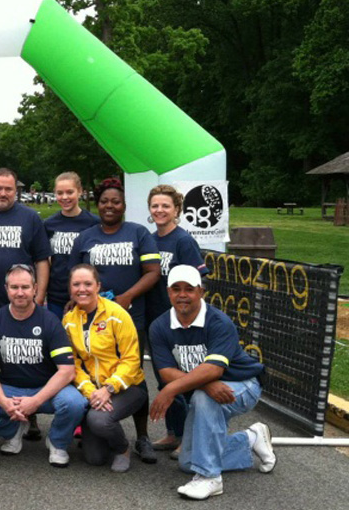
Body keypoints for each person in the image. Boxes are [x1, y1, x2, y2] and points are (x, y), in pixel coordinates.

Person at [149, 265, 275, 500]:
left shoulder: (219, 322)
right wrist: (204, 383)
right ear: (168, 293)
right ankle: (251, 439)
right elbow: (166, 371)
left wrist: (173, 389)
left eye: (189, 289)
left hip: (243, 383)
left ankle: (210, 478)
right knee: (187, 462)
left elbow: (214, 369)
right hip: (208, 388)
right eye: (176, 289)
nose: (182, 294)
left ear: (201, 292)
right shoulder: (159, 326)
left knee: (202, 398)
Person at [69, 176, 160, 463]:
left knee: (134, 375)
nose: (110, 206)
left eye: (115, 201)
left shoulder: (139, 233)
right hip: (92, 316)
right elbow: (77, 275)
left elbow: (153, 271)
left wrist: (127, 296)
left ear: (124, 205)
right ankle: (99, 424)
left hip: (130, 315)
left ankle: (142, 436)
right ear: (98, 204)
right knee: (90, 363)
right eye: (105, 201)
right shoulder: (86, 236)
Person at [0, 264, 85, 466]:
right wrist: (3, 401)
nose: (20, 293)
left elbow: (66, 371)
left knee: (75, 403)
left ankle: (57, 442)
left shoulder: (50, 321)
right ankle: (13, 430)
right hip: (10, 388)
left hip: (45, 388)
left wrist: (35, 401)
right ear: (6, 289)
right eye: (14, 287)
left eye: (25, 287)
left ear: (35, 289)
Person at [0, 168, 50, 377]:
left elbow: (42, 260)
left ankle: (22, 408)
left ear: (16, 191)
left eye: (8, 189)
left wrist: (39, 297)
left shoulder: (30, 217)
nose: (3, 193)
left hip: (21, 305)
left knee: (19, 362)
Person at [62, 264, 146, 471]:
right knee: (94, 458)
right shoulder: (68, 320)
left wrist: (109, 388)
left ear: (98, 286)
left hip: (128, 386)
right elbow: (73, 363)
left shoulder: (117, 315)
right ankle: (105, 434)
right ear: (70, 289)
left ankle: (122, 448)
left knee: (98, 420)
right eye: (76, 284)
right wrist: (92, 393)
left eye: (88, 284)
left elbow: (132, 359)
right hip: (94, 391)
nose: (82, 289)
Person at [146, 184, 209, 452]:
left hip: (178, 320)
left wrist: (191, 317)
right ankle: (174, 432)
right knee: (163, 378)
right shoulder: (149, 239)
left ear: (177, 210)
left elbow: (199, 280)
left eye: (165, 206)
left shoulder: (183, 241)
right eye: (155, 206)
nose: (160, 210)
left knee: (184, 379)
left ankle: (191, 438)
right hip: (154, 319)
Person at [43, 171, 99, 320]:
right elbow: (45, 260)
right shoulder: (49, 225)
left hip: (85, 294)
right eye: (60, 193)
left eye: (70, 192)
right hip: (56, 295)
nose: (65, 197)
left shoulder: (93, 223)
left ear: (80, 192)